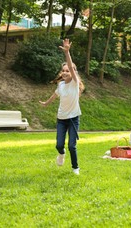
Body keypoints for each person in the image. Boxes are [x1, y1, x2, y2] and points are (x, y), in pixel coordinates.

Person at [39, 39, 83, 175]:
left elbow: (70, 66)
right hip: (61, 119)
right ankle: (61, 154)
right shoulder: (61, 85)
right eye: (63, 71)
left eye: (67, 71)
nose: (65, 72)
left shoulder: (75, 83)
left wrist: (67, 52)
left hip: (73, 119)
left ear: (73, 72)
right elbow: (55, 95)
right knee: (59, 145)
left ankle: (75, 168)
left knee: (72, 146)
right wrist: (46, 103)